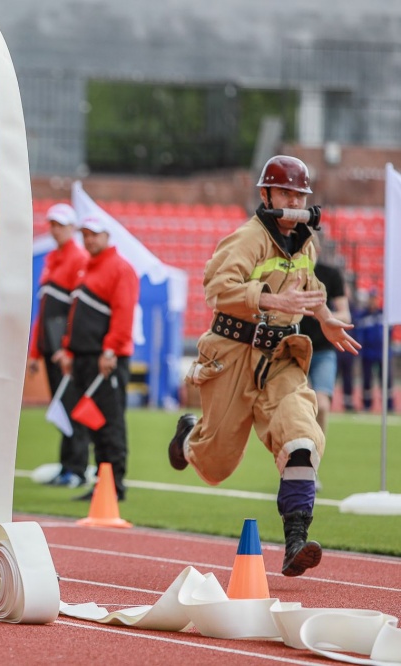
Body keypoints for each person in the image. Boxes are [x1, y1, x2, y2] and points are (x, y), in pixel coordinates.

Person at [168, 155, 360, 578]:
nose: (294, 200)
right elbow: (218, 289)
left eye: (300, 194)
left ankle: (295, 541)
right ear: (266, 194)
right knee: (216, 464)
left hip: (282, 359)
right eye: (286, 192)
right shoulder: (246, 238)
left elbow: (312, 290)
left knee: (301, 437)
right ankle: (187, 438)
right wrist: (274, 300)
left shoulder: (305, 243)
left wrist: (325, 319)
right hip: (233, 355)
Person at [52, 214, 139, 502]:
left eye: (94, 234)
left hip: (106, 361)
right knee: (94, 423)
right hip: (84, 359)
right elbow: (76, 317)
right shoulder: (86, 268)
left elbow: (124, 314)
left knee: (110, 423)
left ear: (107, 236)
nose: (89, 239)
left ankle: (114, 486)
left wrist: (110, 350)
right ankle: (102, 484)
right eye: (85, 234)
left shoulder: (120, 268)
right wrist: (68, 349)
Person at [28, 203, 90, 487]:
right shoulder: (52, 257)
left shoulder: (79, 258)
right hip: (51, 351)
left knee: (72, 407)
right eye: (52, 224)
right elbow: (44, 311)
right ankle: (67, 465)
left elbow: (76, 311)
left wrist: (67, 347)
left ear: (72, 228)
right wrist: (35, 351)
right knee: (61, 409)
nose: (55, 230)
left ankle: (77, 469)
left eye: (61, 225)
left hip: (65, 351)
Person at [298, 233, 350, 433]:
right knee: (294, 407)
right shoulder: (289, 276)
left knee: (322, 406)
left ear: (317, 251)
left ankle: (316, 452)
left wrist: (323, 315)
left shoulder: (331, 275)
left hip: (322, 350)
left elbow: (346, 315)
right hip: (295, 348)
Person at [356, 291, 395, 412]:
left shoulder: (383, 314)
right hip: (368, 353)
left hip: (383, 353)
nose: (373, 301)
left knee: (386, 380)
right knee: (367, 380)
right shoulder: (363, 316)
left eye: (375, 299)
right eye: (371, 299)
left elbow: (390, 332)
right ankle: (367, 405)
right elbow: (359, 334)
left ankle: (389, 405)